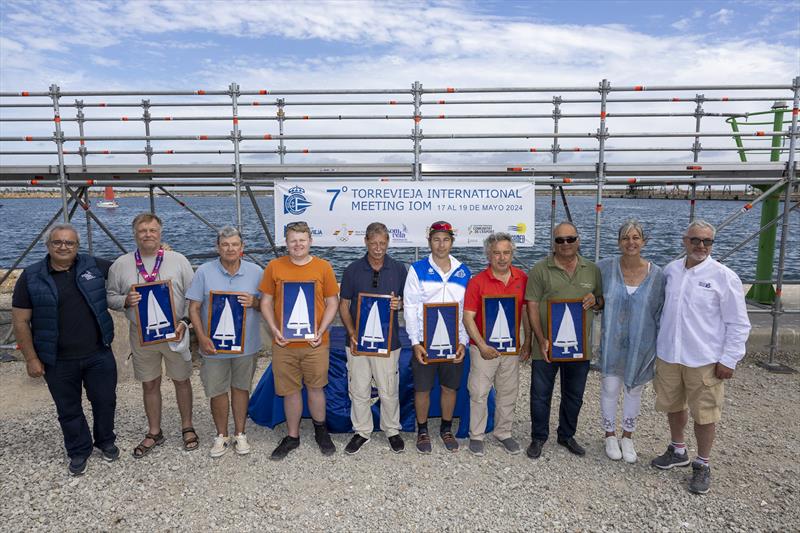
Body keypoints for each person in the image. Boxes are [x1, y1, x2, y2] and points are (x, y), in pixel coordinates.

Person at [651, 220, 750, 495]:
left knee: (705, 413)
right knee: (673, 404)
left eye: (707, 241)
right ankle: (678, 448)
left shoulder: (724, 277)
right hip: (670, 354)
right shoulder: (670, 271)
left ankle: (703, 463)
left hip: (704, 358)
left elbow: (738, 323)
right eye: (695, 240)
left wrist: (729, 359)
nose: (701, 246)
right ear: (685, 241)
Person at [12, 223, 118, 476]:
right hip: (56, 359)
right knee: (68, 409)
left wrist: (162, 254)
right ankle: (78, 449)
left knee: (105, 401)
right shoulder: (31, 275)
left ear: (77, 247)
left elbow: (127, 268)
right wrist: (31, 359)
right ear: (48, 245)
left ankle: (105, 441)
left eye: (69, 243)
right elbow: (20, 321)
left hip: (97, 353)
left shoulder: (93, 266)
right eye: (58, 242)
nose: (63, 247)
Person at [107, 213, 197, 458]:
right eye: (142, 230)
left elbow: (194, 296)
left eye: (152, 230)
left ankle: (187, 426)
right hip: (142, 335)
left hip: (175, 332)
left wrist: (186, 322)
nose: (148, 234)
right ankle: (154, 431)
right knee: (150, 382)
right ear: (135, 233)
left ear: (160, 233)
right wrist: (125, 300)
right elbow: (110, 296)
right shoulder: (121, 264)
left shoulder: (178, 260)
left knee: (182, 380)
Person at [259, 221, 339, 460]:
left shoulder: (323, 267)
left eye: (302, 240)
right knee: (290, 390)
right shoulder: (274, 267)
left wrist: (321, 330)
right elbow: (265, 301)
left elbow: (332, 302)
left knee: (316, 388)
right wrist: (274, 330)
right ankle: (292, 436)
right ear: (286, 242)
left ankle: (320, 431)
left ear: (310, 241)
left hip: (316, 342)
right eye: (293, 240)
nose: (298, 244)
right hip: (284, 343)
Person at [525, 221, 602, 459]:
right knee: (540, 394)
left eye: (570, 239)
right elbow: (532, 307)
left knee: (574, 395)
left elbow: (601, 300)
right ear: (554, 243)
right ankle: (538, 437)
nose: (565, 244)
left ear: (578, 240)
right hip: (545, 347)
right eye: (560, 240)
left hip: (579, 348)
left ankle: (566, 435)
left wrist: (596, 300)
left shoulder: (592, 269)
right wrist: (541, 339)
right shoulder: (540, 269)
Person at [186, 226, 263, 458]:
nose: (230, 249)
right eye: (225, 245)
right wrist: (201, 338)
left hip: (246, 345)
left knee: (241, 388)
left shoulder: (257, 272)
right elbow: (194, 307)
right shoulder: (204, 272)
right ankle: (221, 435)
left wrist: (255, 302)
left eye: (235, 244)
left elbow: (269, 304)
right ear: (217, 247)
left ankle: (240, 433)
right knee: (217, 390)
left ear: (242, 248)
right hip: (213, 346)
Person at [597, 220, 665, 463]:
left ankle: (628, 435)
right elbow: (594, 296)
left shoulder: (657, 275)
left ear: (644, 241)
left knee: (634, 389)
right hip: (612, 342)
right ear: (619, 242)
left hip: (642, 343)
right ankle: (609, 435)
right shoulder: (604, 268)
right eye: (626, 238)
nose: (631, 242)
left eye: (636, 237)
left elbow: (662, 311)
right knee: (610, 387)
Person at [338, 222, 408, 454]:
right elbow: (344, 304)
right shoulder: (352, 270)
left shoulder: (399, 269)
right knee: (358, 388)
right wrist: (351, 333)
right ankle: (362, 431)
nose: (378, 248)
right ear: (366, 241)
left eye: (382, 243)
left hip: (388, 343)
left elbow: (409, 301)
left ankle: (391, 430)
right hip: (357, 342)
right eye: (374, 243)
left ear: (388, 242)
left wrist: (401, 304)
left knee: (389, 388)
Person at [403, 220, 470, 454]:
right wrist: (414, 342)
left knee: (449, 388)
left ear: (452, 241)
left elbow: (465, 311)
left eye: (445, 239)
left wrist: (464, 341)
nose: (441, 245)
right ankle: (422, 430)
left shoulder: (463, 271)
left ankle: (446, 428)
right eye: (436, 239)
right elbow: (410, 308)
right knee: (421, 389)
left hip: (453, 342)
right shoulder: (417, 269)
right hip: (424, 342)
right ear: (429, 241)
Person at [463, 232, 531, 457]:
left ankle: (503, 433)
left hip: (511, 348)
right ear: (488, 255)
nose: (502, 258)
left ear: (512, 254)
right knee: (479, 392)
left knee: (508, 392)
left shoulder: (522, 278)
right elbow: (468, 317)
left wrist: (527, 341)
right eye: (496, 253)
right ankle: (477, 435)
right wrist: (481, 345)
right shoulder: (477, 282)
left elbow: (525, 312)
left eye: (506, 253)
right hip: (483, 349)